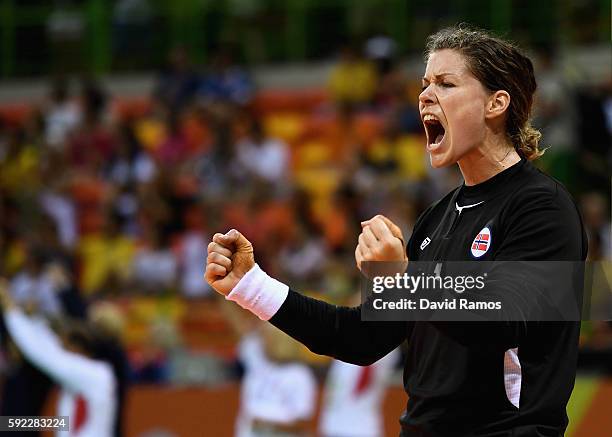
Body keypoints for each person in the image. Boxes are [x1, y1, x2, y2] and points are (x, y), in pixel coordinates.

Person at [205, 25, 587, 436]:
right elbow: (360, 338)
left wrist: (402, 279)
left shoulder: (542, 207)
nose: (424, 95)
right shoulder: (435, 219)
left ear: (496, 103)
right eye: (424, 84)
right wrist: (251, 285)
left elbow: (503, 322)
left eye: (446, 83)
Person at [0, 281, 116, 437]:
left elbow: (41, 350)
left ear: (77, 347)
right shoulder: (74, 382)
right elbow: (61, 422)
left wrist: (10, 308)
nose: (61, 351)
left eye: (64, 346)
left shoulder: (91, 374)